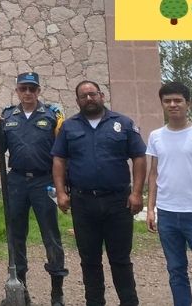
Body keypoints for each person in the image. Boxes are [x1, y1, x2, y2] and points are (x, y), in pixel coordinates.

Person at [52, 80, 146, 306]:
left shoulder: (122, 123)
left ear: (101, 95)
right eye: (83, 96)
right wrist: (60, 192)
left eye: (92, 94)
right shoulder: (69, 126)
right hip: (83, 202)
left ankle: (129, 302)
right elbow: (59, 159)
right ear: (77, 101)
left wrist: (137, 192)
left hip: (118, 202)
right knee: (89, 261)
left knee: (121, 260)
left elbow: (139, 157)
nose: (89, 99)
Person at [0, 72, 67, 306]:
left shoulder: (51, 116)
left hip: (44, 183)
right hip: (17, 182)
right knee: (16, 236)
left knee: (51, 236)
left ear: (38, 91)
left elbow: (63, 152)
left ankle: (57, 293)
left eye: (32, 89)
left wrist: (64, 185)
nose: (27, 93)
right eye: (23, 89)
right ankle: (20, 290)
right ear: (17, 91)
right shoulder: (8, 116)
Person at [145, 82, 192, 306]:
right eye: (167, 101)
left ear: (189, 103)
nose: (173, 105)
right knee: (176, 270)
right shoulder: (156, 135)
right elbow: (153, 174)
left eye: (178, 100)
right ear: (162, 104)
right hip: (167, 213)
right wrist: (151, 208)